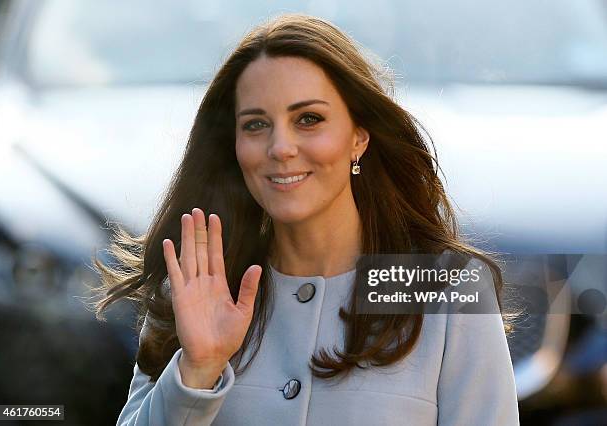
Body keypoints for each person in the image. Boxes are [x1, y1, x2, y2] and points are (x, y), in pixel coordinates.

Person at [93, 13, 519, 425]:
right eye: (256, 124)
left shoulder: (442, 287)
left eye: (309, 119)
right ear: (235, 146)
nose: (281, 147)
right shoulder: (198, 285)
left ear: (359, 137)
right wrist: (198, 368)